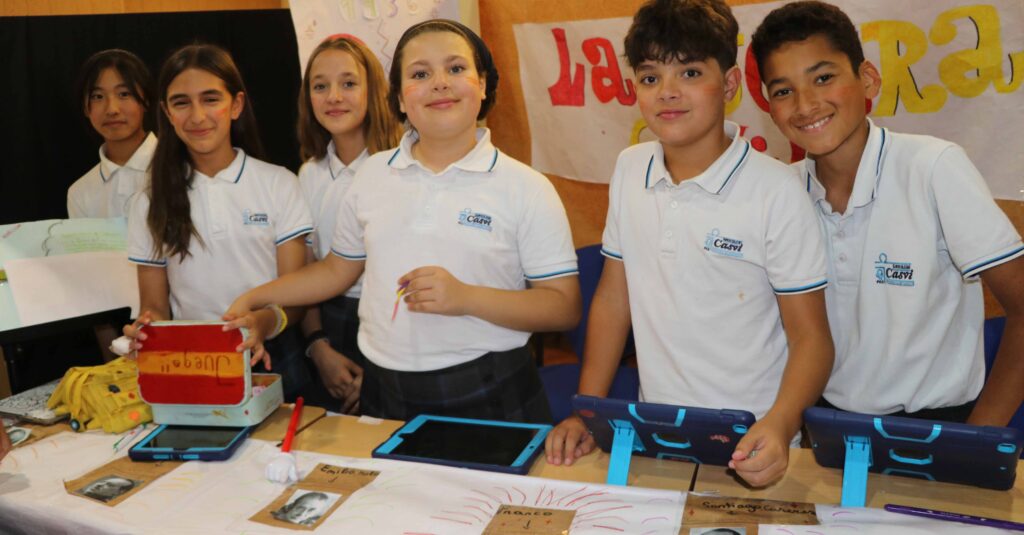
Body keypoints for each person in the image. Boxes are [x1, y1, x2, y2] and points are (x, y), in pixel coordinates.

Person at [226, 20, 580, 423]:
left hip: (489, 386)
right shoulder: (373, 174)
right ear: (397, 98)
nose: (440, 83)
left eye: (456, 69)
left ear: (482, 84)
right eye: (420, 74)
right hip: (383, 386)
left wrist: (465, 297)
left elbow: (563, 307)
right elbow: (336, 270)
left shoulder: (526, 187)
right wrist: (256, 297)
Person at [544, 0, 834, 488]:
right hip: (655, 434)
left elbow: (813, 340)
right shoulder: (630, 168)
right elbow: (615, 300)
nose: (668, 93)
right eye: (650, 77)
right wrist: (587, 410)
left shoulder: (776, 189)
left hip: (755, 442)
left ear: (729, 85)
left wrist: (781, 425)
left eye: (690, 72)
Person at [751, 1, 1024, 425]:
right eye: (783, 90)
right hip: (823, 425)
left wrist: (980, 435)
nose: (805, 105)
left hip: (937, 425)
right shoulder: (780, 190)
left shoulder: (933, 166)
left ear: (867, 79)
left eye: (823, 78)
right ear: (769, 104)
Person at [123, 44, 314, 401]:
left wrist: (262, 322)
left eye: (210, 99)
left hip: (274, 357)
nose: (197, 117)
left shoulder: (278, 183)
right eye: (181, 103)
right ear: (166, 112)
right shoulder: (150, 199)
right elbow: (155, 307)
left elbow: (297, 298)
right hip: (192, 364)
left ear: (236, 105)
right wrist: (145, 329)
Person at [296, 35, 403, 414]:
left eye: (348, 83)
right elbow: (307, 268)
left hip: (397, 323)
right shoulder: (309, 174)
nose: (333, 97)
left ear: (373, 90)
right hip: (330, 322)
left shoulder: (402, 166)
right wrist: (318, 346)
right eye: (320, 86)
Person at [68, 49, 156, 219]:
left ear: (145, 101)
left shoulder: (181, 168)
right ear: (86, 108)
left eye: (124, 94)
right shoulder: (80, 193)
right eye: (98, 96)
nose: (112, 109)